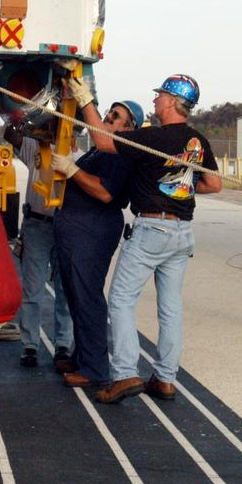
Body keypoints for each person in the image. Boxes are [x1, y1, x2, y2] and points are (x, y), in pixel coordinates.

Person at [76, 74, 221, 404]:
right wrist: (176, 185)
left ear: (171, 101)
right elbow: (214, 185)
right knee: (170, 308)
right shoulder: (197, 141)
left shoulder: (153, 137)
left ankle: (125, 374)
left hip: (152, 229)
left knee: (121, 300)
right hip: (182, 233)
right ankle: (165, 379)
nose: (154, 100)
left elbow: (102, 142)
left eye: (159, 96)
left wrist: (86, 101)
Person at [50, 97, 140, 389]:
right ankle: (83, 357)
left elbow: (105, 193)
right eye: (110, 113)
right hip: (77, 226)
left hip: (92, 228)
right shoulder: (100, 150)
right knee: (76, 294)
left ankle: (95, 368)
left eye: (114, 117)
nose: (107, 118)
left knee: (87, 295)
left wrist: (73, 171)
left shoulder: (118, 154)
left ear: (128, 128)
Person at [4, 123, 73, 369]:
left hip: (65, 226)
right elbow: (9, 134)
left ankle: (63, 344)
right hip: (37, 225)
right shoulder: (35, 143)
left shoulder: (78, 152)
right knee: (33, 290)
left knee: (65, 289)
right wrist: (20, 118)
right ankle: (30, 345)